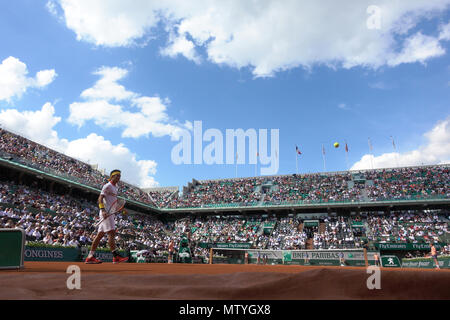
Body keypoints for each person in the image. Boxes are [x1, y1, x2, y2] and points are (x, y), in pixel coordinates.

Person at [85, 169, 129, 264]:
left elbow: (114, 203)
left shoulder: (115, 188)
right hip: (106, 213)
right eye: (117, 176)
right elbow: (100, 198)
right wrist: (103, 210)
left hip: (110, 213)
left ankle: (90, 257)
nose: (119, 178)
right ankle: (115, 256)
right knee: (112, 233)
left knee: (100, 235)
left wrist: (122, 210)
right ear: (112, 176)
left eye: (119, 176)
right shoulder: (107, 186)